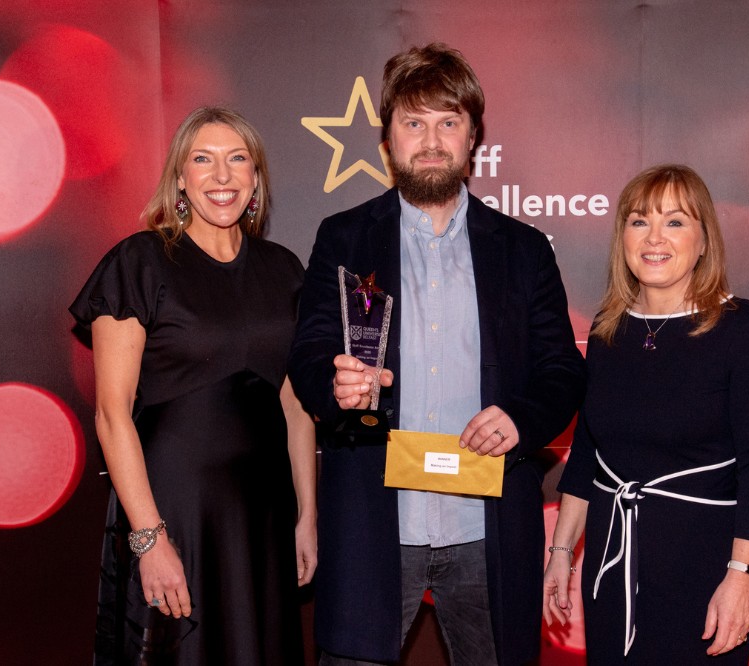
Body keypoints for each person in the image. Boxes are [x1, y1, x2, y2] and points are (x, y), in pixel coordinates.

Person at [287, 43, 586, 666]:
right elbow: (309, 357)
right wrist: (333, 383)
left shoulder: (524, 250)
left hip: (488, 528)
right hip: (375, 525)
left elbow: (562, 371)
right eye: (413, 123)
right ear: (388, 138)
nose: (431, 140)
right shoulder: (342, 237)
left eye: (448, 122)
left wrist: (521, 419)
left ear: (472, 136)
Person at [69, 107, 316, 665]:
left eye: (237, 160)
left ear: (255, 179)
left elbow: (296, 405)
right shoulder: (140, 261)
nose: (221, 176)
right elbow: (112, 413)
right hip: (173, 510)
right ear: (180, 177)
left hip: (264, 517)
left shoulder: (285, 270)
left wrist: (306, 516)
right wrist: (149, 540)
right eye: (202, 160)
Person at [542, 164, 749, 664]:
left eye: (675, 222)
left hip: (704, 572)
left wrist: (743, 580)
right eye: (639, 221)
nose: (655, 238)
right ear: (623, 239)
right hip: (613, 568)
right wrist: (562, 555)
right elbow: (589, 455)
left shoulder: (747, 330)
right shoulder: (609, 332)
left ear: (703, 241)